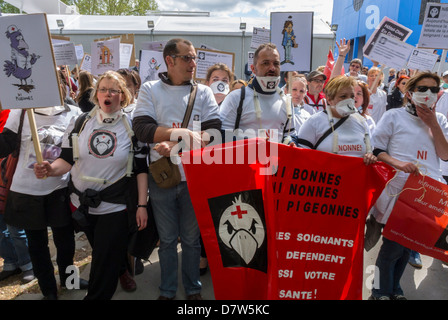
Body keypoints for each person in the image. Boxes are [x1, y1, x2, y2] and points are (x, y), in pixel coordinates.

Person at [34, 71, 149, 300]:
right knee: (102, 254)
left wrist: (142, 205)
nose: (108, 94)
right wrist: (50, 169)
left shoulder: (132, 127)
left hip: (114, 207)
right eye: (103, 89)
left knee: (104, 262)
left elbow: (141, 169)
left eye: (114, 90)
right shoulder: (80, 122)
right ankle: (119, 270)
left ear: (123, 96)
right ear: (96, 94)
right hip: (81, 205)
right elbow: (66, 160)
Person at [132, 38, 221, 300]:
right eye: (187, 58)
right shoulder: (149, 89)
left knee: (192, 240)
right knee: (169, 241)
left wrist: (175, 143)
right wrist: (181, 132)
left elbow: (215, 133)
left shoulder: (203, 92)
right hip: (162, 178)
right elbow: (142, 130)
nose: (194, 63)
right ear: (169, 61)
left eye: (194, 58)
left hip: (195, 177)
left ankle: (193, 289)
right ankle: (167, 290)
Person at [1, 70, 87, 300]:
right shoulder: (20, 112)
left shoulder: (74, 114)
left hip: (59, 189)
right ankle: (49, 290)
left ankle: (70, 280)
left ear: (61, 86)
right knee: (37, 246)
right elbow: (6, 144)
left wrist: (53, 168)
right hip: (26, 192)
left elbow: (73, 154)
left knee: (66, 243)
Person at [369, 72, 448, 300]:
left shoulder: (440, 120)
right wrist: (399, 164)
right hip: (399, 192)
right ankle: (380, 290)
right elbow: (376, 150)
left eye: (434, 90)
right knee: (393, 243)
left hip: (428, 194)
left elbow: (444, 155)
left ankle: (394, 289)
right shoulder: (394, 116)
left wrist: (432, 123)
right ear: (410, 92)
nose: (428, 94)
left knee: (408, 243)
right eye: (422, 89)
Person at [219, 42, 296, 144]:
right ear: (253, 69)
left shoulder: (286, 101)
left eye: (276, 63)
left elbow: (290, 135)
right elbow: (221, 135)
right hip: (244, 159)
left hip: (276, 159)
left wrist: (291, 143)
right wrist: (251, 143)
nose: (272, 68)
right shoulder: (235, 98)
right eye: (266, 63)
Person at [296, 75, 376, 165]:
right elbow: (301, 158)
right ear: (329, 99)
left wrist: (370, 156)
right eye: (343, 96)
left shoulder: (362, 122)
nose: (349, 100)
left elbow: (370, 151)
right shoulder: (313, 123)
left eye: (351, 96)